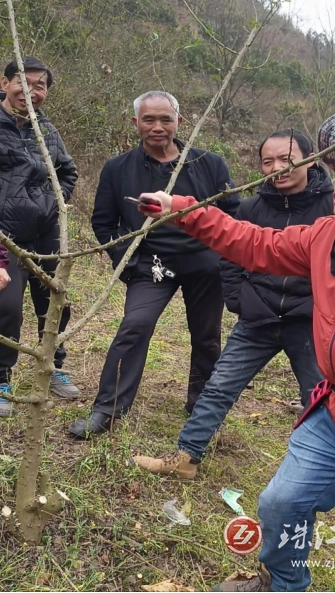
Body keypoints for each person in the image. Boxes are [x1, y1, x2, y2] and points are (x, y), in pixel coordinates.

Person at [136, 105, 335, 592]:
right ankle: (282, 582)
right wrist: (184, 211)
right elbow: (256, 243)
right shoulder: (329, 237)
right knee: (280, 504)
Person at [133, 129, 332, 479]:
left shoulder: (333, 209)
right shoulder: (251, 206)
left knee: (319, 400)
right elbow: (231, 253)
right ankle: (185, 459)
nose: (277, 167)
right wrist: (239, 298)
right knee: (219, 386)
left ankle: (325, 472)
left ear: (310, 159)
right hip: (258, 318)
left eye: (287, 159)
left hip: (308, 322)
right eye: (268, 161)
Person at [68, 90, 240, 439]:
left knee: (206, 337)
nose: (158, 127)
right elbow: (104, 223)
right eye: (149, 119)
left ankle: (202, 409)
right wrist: (128, 262)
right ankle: (107, 408)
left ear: (179, 122)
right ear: (136, 123)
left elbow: (231, 214)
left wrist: (222, 258)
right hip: (151, 265)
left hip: (204, 264)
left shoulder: (208, 163)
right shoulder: (118, 168)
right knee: (134, 326)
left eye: (165, 119)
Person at [0, 56, 79, 417]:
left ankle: (53, 365)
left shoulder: (45, 129)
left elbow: (68, 170)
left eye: (40, 85)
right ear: (5, 84)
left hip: (45, 231)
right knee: (6, 305)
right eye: (24, 82)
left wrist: (55, 203)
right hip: (5, 234)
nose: (32, 91)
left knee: (54, 301)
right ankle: (2, 375)